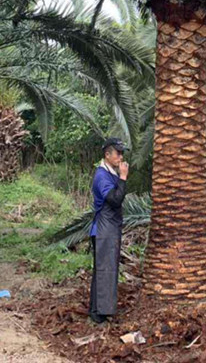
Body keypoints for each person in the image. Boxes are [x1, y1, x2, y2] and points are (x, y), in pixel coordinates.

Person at [88, 137, 129, 324]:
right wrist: (123, 178)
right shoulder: (102, 176)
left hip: (110, 228)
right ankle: (99, 314)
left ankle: (99, 311)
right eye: (117, 153)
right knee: (105, 270)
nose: (120, 156)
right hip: (104, 229)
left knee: (107, 269)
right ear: (107, 154)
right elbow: (114, 200)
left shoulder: (109, 172)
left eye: (122, 153)